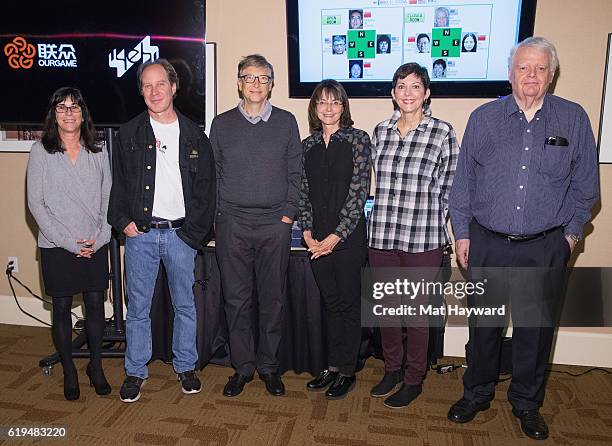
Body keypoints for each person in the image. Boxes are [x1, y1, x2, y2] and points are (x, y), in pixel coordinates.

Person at [448, 37, 599, 440]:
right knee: (483, 325)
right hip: (488, 242)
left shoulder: (573, 119)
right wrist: (462, 233)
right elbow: (462, 184)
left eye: (539, 68)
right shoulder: (483, 117)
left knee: (535, 330)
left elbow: (587, 188)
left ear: (552, 74)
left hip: (545, 244)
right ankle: (476, 393)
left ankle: (527, 403)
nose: (530, 76)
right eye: (522, 68)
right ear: (510, 73)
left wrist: (569, 236)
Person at [108, 59, 216, 403]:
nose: (154, 92)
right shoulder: (128, 134)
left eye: (160, 84)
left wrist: (192, 235)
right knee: (138, 308)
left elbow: (206, 191)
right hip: (140, 236)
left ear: (173, 87)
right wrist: (123, 221)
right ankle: (135, 372)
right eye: (146, 86)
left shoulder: (196, 134)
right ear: (141, 92)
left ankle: (186, 366)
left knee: (185, 305)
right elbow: (119, 185)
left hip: (181, 237)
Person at [368, 63, 459, 408]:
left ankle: (413, 378)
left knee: (417, 314)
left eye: (415, 86)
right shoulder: (381, 131)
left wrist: (443, 227)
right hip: (382, 237)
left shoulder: (442, 132)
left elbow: (451, 189)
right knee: (388, 311)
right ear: (393, 93)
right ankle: (392, 369)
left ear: (426, 93)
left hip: (422, 239)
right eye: (401, 86)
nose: (408, 92)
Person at [210, 54, 302, 398]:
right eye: (249, 78)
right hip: (232, 224)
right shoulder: (221, 124)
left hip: (273, 225)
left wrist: (287, 216)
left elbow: (296, 173)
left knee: (273, 300)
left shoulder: (286, 122)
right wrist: (220, 219)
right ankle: (243, 367)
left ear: (271, 84)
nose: (256, 84)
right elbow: (213, 176)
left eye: (263, 78)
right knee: (236, 300)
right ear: (238, 82)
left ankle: (268, 367)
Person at [27, 87, 112, 401]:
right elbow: (36, 204)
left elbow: (108, 197)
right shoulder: (41, 151)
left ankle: (96, 366)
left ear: (83, 113)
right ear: (54, 114)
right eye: (61, 108)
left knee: (94, 305)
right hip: (57, 245)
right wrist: (68, 243)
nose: (68, 113)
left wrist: (101, 237)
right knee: (61, 308)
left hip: (94, 241)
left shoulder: (99, 149)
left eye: (74, 107)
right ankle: (69, 370)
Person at [298, 80, 371, 400]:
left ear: (344, 107)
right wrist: (307, 232)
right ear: (314, 108)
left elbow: (359, 192)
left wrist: (336, 236)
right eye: (322, 102)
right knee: (329, 303)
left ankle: (347, 370)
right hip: (315, 240)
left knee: (349, 305)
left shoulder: (358, 140)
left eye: (335, 102)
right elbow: (302, 191)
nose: (328, 108)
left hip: (348, 237)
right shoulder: (307, 145)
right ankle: (331, 364)